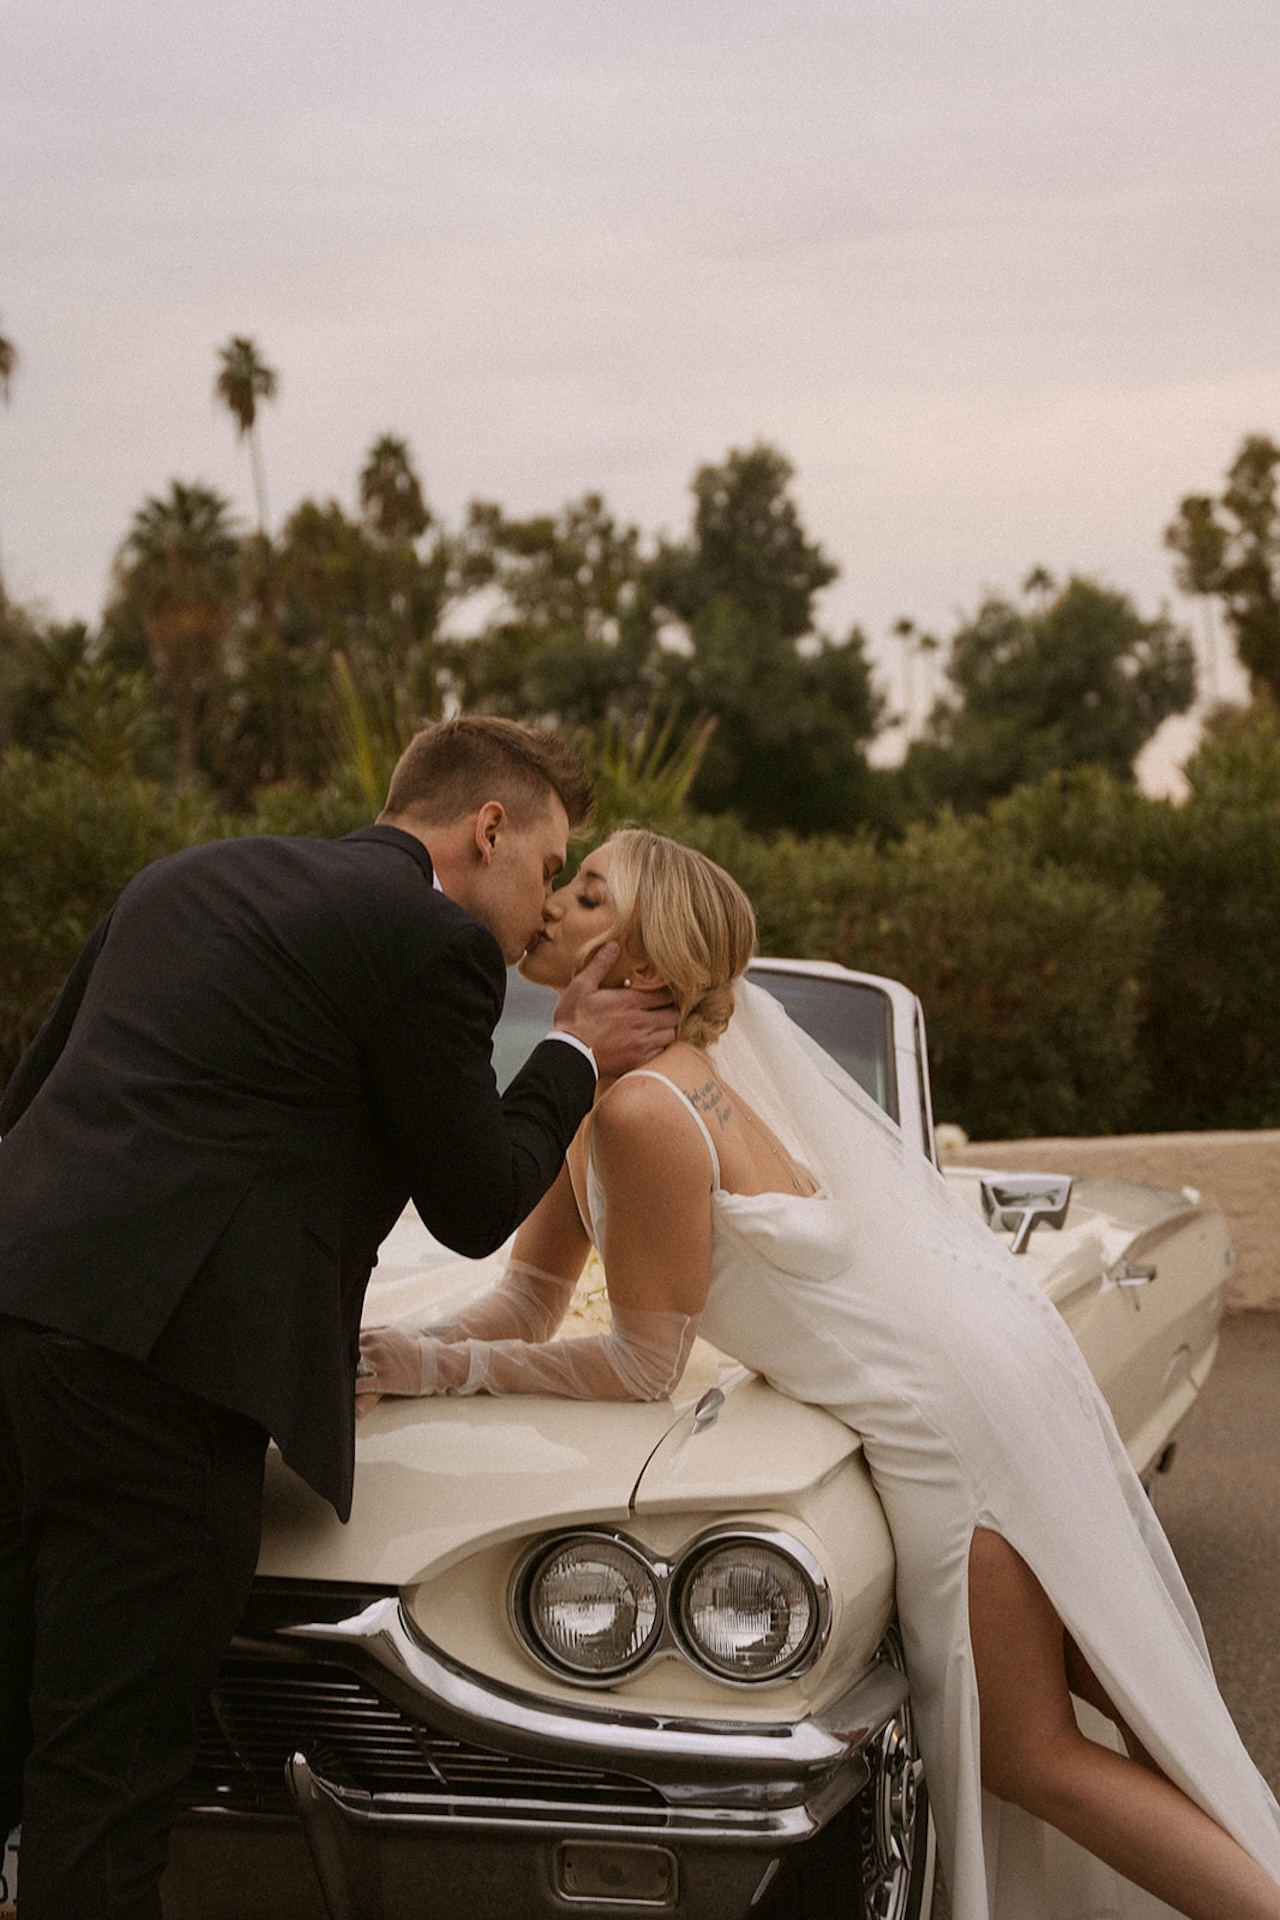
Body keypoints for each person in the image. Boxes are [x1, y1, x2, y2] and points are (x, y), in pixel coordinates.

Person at [358, 827, 1280, 1920]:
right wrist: (388, 1355)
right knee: (1124, 1708)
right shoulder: (607, 1092)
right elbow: (526, 1302)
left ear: (645, 966)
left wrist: (439, 1366)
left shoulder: (648, 1110)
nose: (551, 903)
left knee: (1030, 1753)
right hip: (960, 1393)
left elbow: (644, 1364)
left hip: (948, 1433)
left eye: (588, 893)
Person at [0, 720, 678, 1920]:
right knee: (102, 1786)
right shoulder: (427, 941)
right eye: (546, 865)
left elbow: (31, 1104)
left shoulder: (185, 877)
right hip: (155, 1391)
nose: (537, 912)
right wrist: (566, 1050)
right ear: (487, 830)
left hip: (13, 1318)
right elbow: (473, 1204)